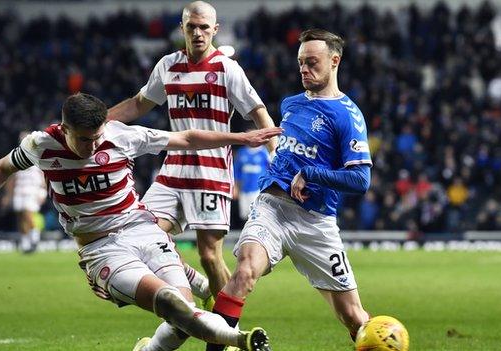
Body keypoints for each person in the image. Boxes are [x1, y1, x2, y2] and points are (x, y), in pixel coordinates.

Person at [0, 93, 280, 351]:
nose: (94, 144)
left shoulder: (119, 135)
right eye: (84, 139)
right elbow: (3, 167)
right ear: (64, 128)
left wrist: (242, 137)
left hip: (142, 229)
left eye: (97, 136)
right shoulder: (41, 145)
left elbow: (186, 139)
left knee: (183, 318)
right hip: (100, 249)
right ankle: (243, 339)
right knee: (174, 305)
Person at [206, 29, 373, 351]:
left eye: (312, 62)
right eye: (300, 63)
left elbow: (361, 180)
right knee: (243, 272)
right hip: (271, 208)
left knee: (353, 316)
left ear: (334, 61)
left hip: (316, 223)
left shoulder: (348, 116)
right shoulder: (291, 104)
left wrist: (310, 174)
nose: (304, 70)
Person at [107, 1, 278, 301]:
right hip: (173, 169)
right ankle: (201, 288)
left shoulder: (227, 69)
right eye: (191, 27)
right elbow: (138, 104)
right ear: (182, 28)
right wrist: (97, 122)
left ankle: (228, 329)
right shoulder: (168, 65)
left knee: (210, 256)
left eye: (203, 27)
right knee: (140, 235)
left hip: (211, 172)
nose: (198, 33)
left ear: (215, 29)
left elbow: (258, 112)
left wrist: (276, 156)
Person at [2, 131, 47, 253]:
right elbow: (12, 178)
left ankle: (34, 238)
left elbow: (44, 175)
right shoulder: (16, 156)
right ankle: (26, 243)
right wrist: (8, 195)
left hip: (31, 191)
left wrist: (43, 192)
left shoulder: (38, 156)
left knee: (29, 215)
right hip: (19, 191)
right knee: (21, 217)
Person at [233, 142, 270, 220]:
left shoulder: (264, 152)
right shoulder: (241, 152)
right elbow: (236, 171)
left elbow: (270, 170)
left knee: (257, 214)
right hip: (244, 188)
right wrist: (235, 187)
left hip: (258, 189)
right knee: (244, 215)